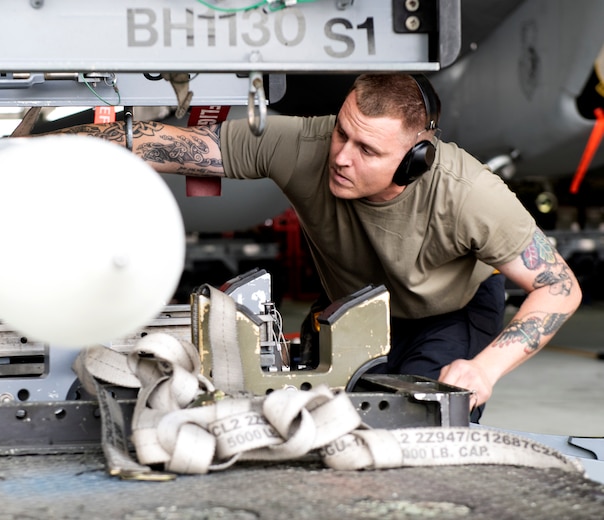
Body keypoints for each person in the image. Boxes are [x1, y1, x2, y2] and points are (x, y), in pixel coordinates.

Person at [50, 73, 581, 421]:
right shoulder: (306, 143)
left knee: (418, 420)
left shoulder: (471, 195)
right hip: (358, 312)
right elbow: (178, 145)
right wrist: (38, 148)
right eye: (342, 133)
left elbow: (559, 288)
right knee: (334, 423)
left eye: (368, 149)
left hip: (451, 313)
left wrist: (484, 369)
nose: (342, 157)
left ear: (415, 158)